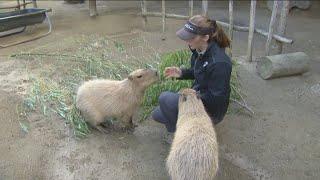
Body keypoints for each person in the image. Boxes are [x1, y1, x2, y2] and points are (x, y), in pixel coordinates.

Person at [152, 15, 232, 143]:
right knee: (157, 114)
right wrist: (181, 73)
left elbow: (218, 98)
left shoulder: (220, 63)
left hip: (210, 110)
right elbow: (199, 72)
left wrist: (193, 96)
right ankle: (186, 128)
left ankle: (180, 137)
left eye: (191, 37)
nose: (187, 41)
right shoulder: (199, 49)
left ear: (205, 37)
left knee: (164, 98)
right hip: (198, 97)